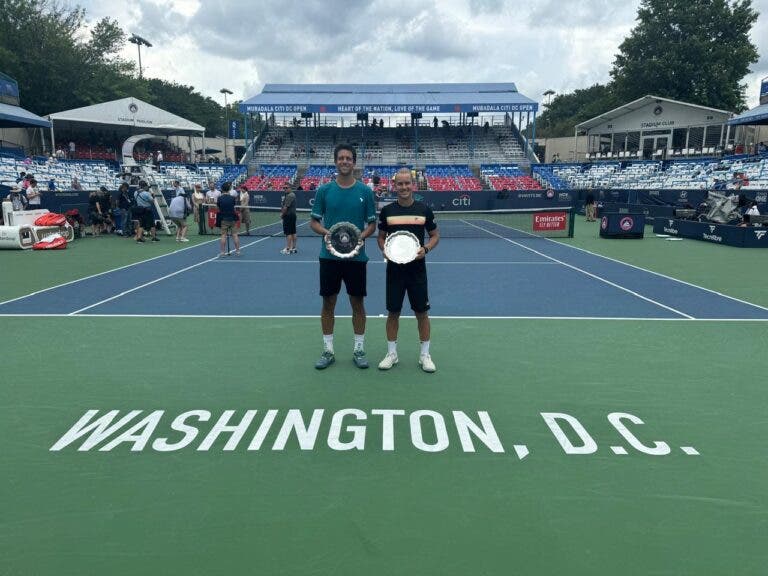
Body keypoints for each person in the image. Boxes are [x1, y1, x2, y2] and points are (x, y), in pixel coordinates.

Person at [309, 143, 376, 370]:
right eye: (341, 158)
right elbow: (314, 222)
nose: (345, 161)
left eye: (348, 158)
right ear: (335, 161)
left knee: (357, 302)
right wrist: (329, 234)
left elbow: (372, 225)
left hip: (356, 259)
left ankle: (359, 348)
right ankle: (328, 350)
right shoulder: (324, 191)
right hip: (329, 257)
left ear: (354, 163)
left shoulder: (365, 192)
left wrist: (359, 238)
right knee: (328, 303)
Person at [376, 168, 440, 373]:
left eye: (407, 183)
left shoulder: (424, 210)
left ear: (413, 185)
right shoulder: (387, 212)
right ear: (394, 186)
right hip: (394, 270)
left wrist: (426, 249)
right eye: (399, 184)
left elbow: (435, 236)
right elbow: (381, 237)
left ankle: (425, 355)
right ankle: (392, 354)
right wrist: (385, 250)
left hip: (417, 271)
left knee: (422, 313)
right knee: (393, 312)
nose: (403, 187)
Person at [217, 182, 240, 257]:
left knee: (223, 235)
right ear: (229, 189)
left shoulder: (220, 198)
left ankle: (223, 252)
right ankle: (238, 251)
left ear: (222, 189)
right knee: (235, 235)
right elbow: (233, 206)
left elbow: (219, 208)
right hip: (232, 218)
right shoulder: (232, 198)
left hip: (224, 219)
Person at [280, 183, 297, 254]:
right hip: (292, 215)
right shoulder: (290, 195)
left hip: (288, 216)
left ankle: (288, 248)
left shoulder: (290, 195)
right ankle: (293, 248)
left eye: (286, 188)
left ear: (290, 188)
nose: (285, 189)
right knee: (293, 232)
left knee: (288, 233)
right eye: (284, 188)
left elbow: (285, 207)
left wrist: (282, 215)